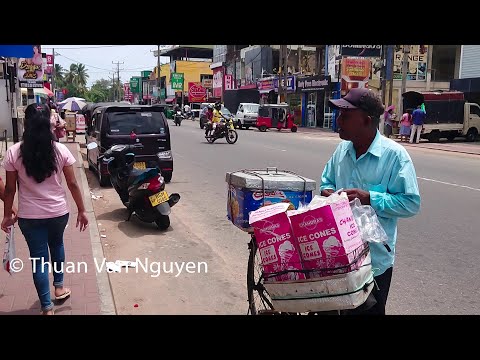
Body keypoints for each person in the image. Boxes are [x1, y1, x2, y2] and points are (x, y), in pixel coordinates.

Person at [320, 88, 421, 315]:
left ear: (366, 120)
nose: (339, 120)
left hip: (373, 263)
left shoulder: (395, 156)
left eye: (345, 115)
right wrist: (329, 194)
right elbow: (326, 181)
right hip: (336, 257)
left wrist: (370, 199)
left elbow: (411, 203)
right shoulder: (341, 151)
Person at [1, 103, 89, 315]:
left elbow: (11, 188)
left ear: (26, 123)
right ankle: (59, 287)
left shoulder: (13, 153)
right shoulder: (60, 150)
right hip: (58, 212)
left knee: (39, 260)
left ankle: (47, 308)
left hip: (29, 216)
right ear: (49, 122)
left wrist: (6, 215)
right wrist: (82, 210)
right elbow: (73, 184)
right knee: (57, 245)